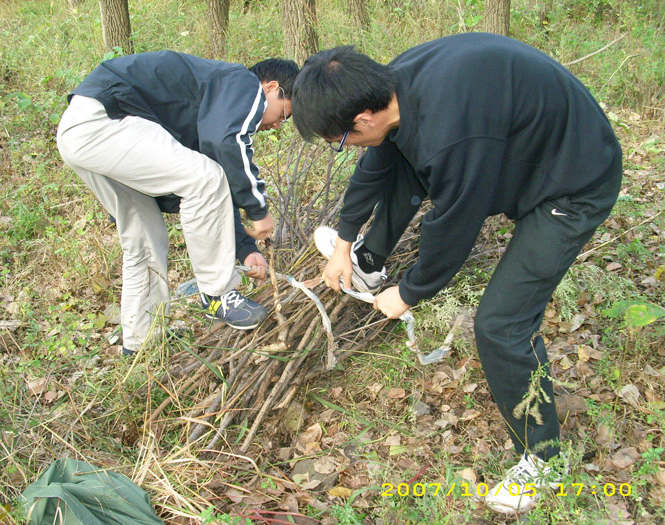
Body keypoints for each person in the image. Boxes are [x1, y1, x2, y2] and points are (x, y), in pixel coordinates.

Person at [291, 33, 622, 513]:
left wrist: (409, 291)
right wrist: (343, 246)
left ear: (363, 118)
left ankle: (544, 458)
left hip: (573, 183)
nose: (341, 147)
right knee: (400, 156)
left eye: (338, 140)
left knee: (501, 324)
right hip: (524, 148)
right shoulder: (393, 84)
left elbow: (455, 223)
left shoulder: (451, 133)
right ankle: (367, 263)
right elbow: (377, 163)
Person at [57, 51, 299, 356]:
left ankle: (141, 343)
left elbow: (218, 189)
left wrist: (246, 249)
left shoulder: (215, 108)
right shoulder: (242, 83)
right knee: (205, 178)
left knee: (145, 240)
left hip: (81, 131)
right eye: (284, 114)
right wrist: (258, 210)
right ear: (271, 88)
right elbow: (226, 150)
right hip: (107, 121)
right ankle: (217, 295)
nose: (278, 124)